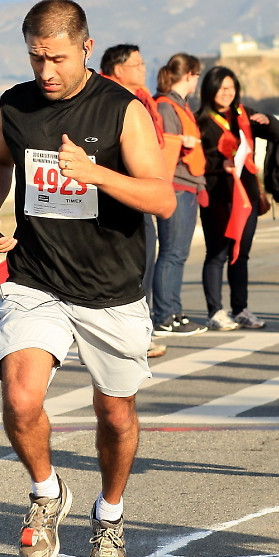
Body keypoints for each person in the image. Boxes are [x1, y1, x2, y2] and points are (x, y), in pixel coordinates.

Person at [0, 0, 176, 557]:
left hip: (111, 289)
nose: (46, 72)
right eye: (36, 58)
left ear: (86, 48)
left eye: (57, 58)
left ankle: (109, 514)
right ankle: (45, 493)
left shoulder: (122, 110)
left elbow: (161, 198)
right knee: (19, 399)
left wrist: (95, 174)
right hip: (35, 280)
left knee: (115, 415)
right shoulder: (14, 106)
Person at [196, 66, 279, 330]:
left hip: (246, 196)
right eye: (221, 88)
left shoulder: (243, 115)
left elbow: (278, 134)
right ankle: (215, 311)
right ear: (210, 89)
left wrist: (269, 120)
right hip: (217, 196)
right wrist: (217, 164)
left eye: (231, 88)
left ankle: (241, 309)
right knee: (217, 253)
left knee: (240, 255)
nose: (226, 93)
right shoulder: (201, 120)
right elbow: (197, 160)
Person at [100, 42, 166, 358]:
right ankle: (129, 335)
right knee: (131, 267)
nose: (143, 70)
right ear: (118, 69)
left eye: (143, 64)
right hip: (114, 196)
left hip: (144, 192)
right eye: (137, 65)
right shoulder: (105, 103)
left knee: (144, 262)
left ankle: (141, 331)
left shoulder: (139, 100)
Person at [151, 53, 208, 336]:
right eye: (197, 75)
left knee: (179, 253)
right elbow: (164, 148)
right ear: (189, 75)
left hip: (188, 185)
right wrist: (181, 142)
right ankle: (163, 315)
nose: (198, 80)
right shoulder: (165, 107)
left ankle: (173, 311)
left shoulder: (179, 105)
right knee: (172, 252)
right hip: (176, 186)